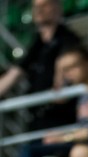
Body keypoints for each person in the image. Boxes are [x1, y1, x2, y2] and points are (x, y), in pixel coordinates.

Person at [0, 0, 80, 131]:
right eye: (35, 6)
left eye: (44, 5)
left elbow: (66, 77)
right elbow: (15, 73)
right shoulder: (36, 43)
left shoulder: (69, 40)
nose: (39, 10)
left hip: (61, 118)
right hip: (37, 119)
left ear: (57, 8)